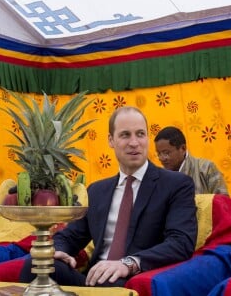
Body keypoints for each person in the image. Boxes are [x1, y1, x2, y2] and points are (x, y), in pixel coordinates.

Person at [20, 106, 198, 287]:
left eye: (140, 134)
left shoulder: (177, 184)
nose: (134, 143)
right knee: (36, 265)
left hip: (133, 280)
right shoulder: (96, 191)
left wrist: (129, 264)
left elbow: (181, 242)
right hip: (93, 279)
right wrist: (58, 251)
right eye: (125, 135)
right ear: (111, 140)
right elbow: (70, 236)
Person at [154, 126, 228, 195]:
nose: (162, 158)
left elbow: (223, 202)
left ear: (183, 148)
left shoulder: (205, 168)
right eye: (159, 153)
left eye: (166, 153)